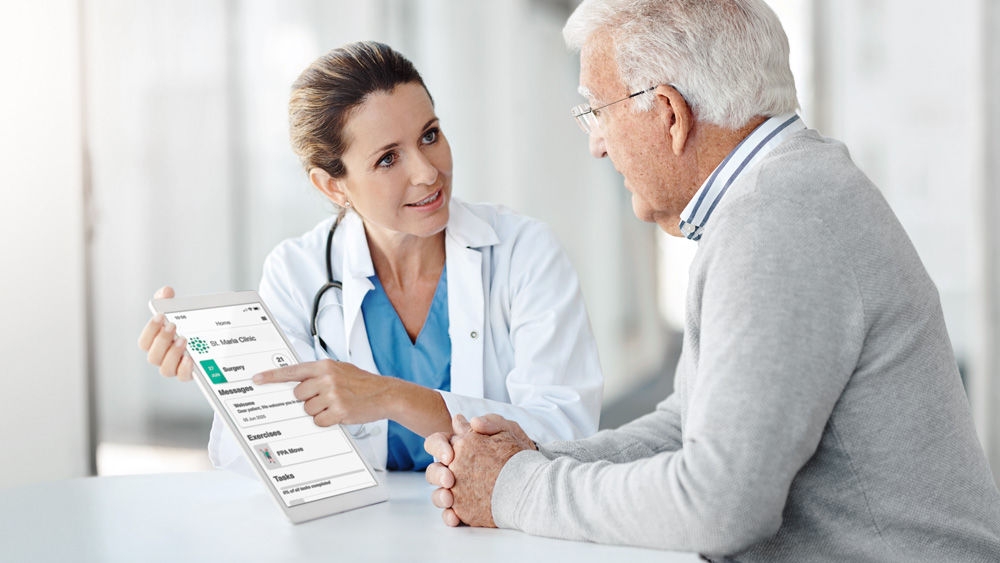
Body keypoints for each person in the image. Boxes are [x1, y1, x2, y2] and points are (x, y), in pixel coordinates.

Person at [424, 1, 1000, 561]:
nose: (597, 144)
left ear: (670, 115)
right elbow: (689, 423)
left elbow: (719, 505)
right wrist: (538, 457)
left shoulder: (778, 225)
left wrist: (514, 489)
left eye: (597, 111)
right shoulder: (783, 194)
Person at [137, 41, 603, 473]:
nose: (427, 172)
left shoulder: (524, 252)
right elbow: (264, 458)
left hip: (500, 529)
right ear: (332, 185)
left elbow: (568, 433)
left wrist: (392, 397)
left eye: (429, 135)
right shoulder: (297, 274)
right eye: (387, 159)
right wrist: (227, 378)